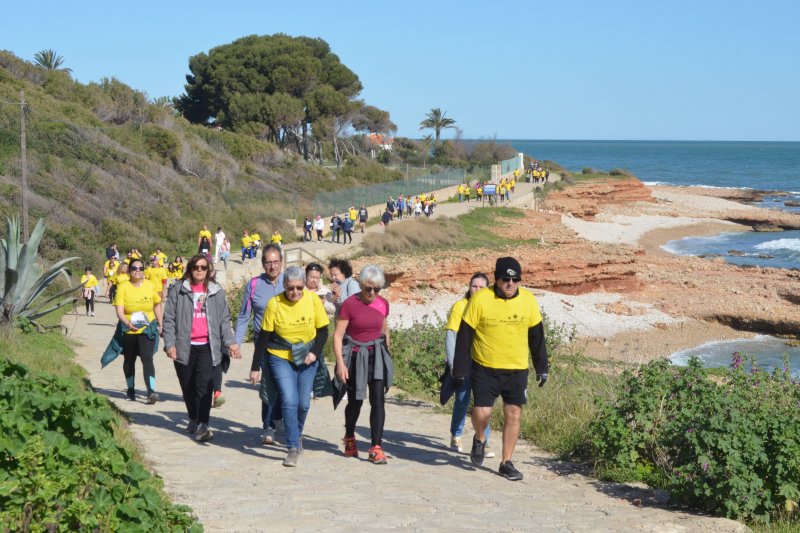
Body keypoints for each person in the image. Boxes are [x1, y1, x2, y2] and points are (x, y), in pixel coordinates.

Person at [453, 257, 549, 481]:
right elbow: (465, 336)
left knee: (513, 413)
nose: (510, 283)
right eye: (505, 279)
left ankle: (506, 462)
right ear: (496, 279)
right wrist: (459, 368)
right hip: (485, 367)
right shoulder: (480, 299)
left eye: (515, 279)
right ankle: (479, 438)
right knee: (483, 412)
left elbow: (537, 337)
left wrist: (541, 367)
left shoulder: (528, 301)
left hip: (517, 369)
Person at [251, 266, 329, 466]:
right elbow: (264, 338)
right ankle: (292, 447)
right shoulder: (274, 304)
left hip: (307, 356)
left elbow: (322, 331)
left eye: (299, 288)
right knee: (289, 400)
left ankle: (297, 433)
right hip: (280, 356)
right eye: (291, 288)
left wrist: (314, 353)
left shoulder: (312, 301)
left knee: (303, 403)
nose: (295, 292)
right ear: (284, 286)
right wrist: (255, 367)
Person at [162, 254, 240, 441]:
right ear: (190, 269)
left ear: (208, 270)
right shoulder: (178, 290)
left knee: (204, 386)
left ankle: (203, 425)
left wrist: (230, 342)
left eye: (203, 267)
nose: (199, 270)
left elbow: (223, 318)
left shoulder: (216, 290)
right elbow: (169, 319)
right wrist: (169, 344)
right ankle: (193, 417)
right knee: (188, 386)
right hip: (184, 345)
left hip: (208, 345)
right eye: (196, 267)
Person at [333, 265, 392, 464]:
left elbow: (384, 329)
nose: (372, 293)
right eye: (368, 288)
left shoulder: (383, 303)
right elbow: (338, 335)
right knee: (356, 402)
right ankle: (349, 437)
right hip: (356, 356)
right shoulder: (350, 304)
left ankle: (376, 447)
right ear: (361, 285)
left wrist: (387, 355)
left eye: (377, 289)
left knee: (378, 401)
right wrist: (341, 364)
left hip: (376, 355)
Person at [237, 245, 285, 444]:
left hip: (286, 341)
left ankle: (278, 415)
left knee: (285, 384)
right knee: (269, 384)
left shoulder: (290, 281)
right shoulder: (254, 284)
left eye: (276, 262)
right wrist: (236, 342)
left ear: (281, 262)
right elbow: (243, 315)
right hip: (262, 341)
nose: (272, 266)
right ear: (263, 264)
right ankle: (268, 426)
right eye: (268, 262)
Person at [445, 273, 494, 455]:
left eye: (482, 287)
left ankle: (483, 439)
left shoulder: (490, 307)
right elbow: (451, 335)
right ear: (469, 287)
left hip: (484, 362)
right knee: (462, 399)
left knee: (483, 402)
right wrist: (453, 364)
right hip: (464, 361)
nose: (477, 290)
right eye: (474, 286)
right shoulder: (461, 306)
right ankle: (456, 435)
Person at [113, 257, 163, 404]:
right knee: (129, 360)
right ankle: (130, 389)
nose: (137, 271)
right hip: (129, 330)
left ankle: (151, 391)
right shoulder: (123, 286)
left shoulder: (149, 285)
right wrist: (127, 323)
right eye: (134, 268)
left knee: (147, 357)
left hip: (147, 329)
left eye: (140, 268)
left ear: (144, 270)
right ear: (129, 270)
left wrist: (161, 324)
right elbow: (119, 310)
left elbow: (157, 305)